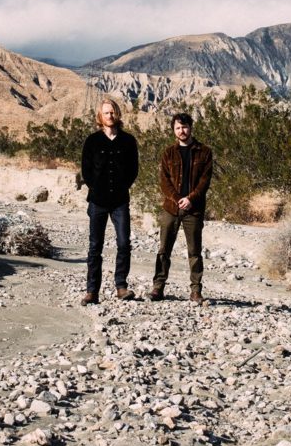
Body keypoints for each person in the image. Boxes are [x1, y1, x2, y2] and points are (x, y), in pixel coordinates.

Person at [80, 98, 139, 305]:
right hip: (97, 201)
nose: (110, 116)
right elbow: (85, 170)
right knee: (95, 246)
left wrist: (123, 186)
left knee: (124, 243)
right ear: (100, 116)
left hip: (120, 201)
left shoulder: (128, 141)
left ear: (118, 114)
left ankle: (121, 286)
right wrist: (95, 187)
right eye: (106, 113)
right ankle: (92, 291)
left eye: (112, 112)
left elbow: (134, 169)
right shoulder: (92, 141)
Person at [151, 112, 213, 304]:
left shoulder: (204, 152)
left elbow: (205, 180)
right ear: (173, 130)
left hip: (193, 209)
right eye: (178, 128)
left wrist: (191, 198)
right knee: (164, 249)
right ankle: (158, 287)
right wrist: (178, 198)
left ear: (191, 127)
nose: (181, 131)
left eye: (184, 127)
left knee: (194, 251)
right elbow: (164, 181)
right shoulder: (168, 153)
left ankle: (196, 290)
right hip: (171, 208)